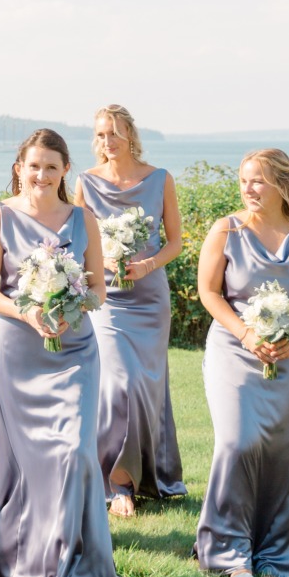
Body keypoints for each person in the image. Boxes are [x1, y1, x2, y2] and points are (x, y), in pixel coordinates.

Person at [0, 128, 123, 577]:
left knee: (75, 452)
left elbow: (100, 289)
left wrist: (71, 302)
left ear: (65, 172)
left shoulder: (84, 220)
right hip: (19, 350)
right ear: (20, 166)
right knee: (33, 459)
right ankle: (34, 562)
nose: (41, 175)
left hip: (75, 348)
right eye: (33, 165)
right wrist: (28, 312)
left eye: (52, 167)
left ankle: (71, 573)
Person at [195, 149, 289, 577]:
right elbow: (208, 292)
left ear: (281, 184)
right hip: (234, 351)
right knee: (238, 442)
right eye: (244, 180)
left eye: (257, 181)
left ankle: (278, 556)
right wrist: (247, 335)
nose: (248, 189)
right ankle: (228, 553)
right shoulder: (226, 229)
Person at [74, 104, 186, 516]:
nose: (108, 141)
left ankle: (153, 475)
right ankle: (117, 482)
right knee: (119, 380)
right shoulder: (85, 182)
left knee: (146, 385)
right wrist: (102, 265)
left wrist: (147, 265)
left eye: (115, 133)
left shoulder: (160, 179)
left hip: (150, 295)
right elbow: (78, 239)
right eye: (101, 134)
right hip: (108, 297)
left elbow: (174, 241)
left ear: (130, 135)